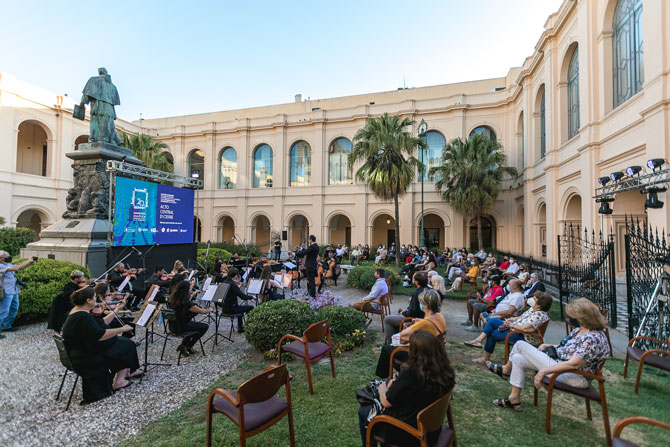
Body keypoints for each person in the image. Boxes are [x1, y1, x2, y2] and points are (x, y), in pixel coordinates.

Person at [489, 298, 610, 412]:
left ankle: (505, 370)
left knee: (520, 345)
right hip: (559, 365)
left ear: (582, 317)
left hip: (574, 376)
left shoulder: (592, 338)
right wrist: (548, 346)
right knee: (517, 358)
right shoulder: (581, 329)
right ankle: (514, 399)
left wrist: (543, 372)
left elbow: (574, 364)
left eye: (572, 316)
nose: (569, 319)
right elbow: (568, 348)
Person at [358, 330, 456, 447]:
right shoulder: (445, 371)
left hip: (411, 435)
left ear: (415, 352)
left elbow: (386, 402)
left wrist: (382, 388)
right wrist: (398, 382)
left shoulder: (412, 373)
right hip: (432, 431)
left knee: (364, 411)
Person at [61, 287, 140, 403]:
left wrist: (117, 309)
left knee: (122, 342)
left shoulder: (78, 311)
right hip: (84, 355)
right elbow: (100, 335)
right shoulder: (83, 317)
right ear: (88, 300)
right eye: (94, 297)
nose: (96, 300)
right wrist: (121, 329)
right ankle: (121, 380)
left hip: (81, 348)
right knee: (126, 345)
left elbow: (101, 323)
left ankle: (126, 372)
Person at [465, 291, 553, 364]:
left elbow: (526, 329)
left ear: (540, 304)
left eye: (534, 299)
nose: (531, 300)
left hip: (522, 336)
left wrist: (512, 325)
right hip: (515, 329)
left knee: (492, 333)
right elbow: (522, 317)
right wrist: (511, 319)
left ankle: (485, 357)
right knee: (492, 321)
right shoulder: (533, 309)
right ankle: (479, 341)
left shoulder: (538, 315)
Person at [375, 289, 446, 378]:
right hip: (433, 353)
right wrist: (420, 322)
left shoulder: (424, 323)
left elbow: (402, 338)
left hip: (421, 356)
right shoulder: (439, 316)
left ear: (425, 305)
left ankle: (385, 378)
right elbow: (430, 326)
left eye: (421, 302)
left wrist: (415, 326)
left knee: (386, 349)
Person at [167, 280, 212, 357]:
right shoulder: (187, 304)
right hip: (182, 328)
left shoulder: (173, 299)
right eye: (189, 289)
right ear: (186, 291)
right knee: (204, 327)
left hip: (173, 327)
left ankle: (183, 346)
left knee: (194, 327)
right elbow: (202, 311)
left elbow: (184, 305)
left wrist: (190, 297)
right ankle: (188, 346)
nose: (191, 290)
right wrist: (210, 309)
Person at [383, 272, 427, 343]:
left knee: (387, 319)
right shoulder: (428, 290)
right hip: (421, 317)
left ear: (416, 282)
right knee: (396, 316)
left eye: (413, 279)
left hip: (415, 319)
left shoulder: (417, 293)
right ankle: (396, 339)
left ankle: (390, 343)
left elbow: (413, 312)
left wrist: (404, 312)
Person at [0, 251, 36, 336]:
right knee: (3, 311)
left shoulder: (7, 264)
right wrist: (27, 261)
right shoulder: (0, 266)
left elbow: (20, 267)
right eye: (7, 257)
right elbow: (17, 268)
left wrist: (30, 262)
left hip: (14, 290)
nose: (9, 258)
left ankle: (6, 326)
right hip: (6, 292)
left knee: (14, 308)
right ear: (1, 259)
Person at [220, 267, 255, 332]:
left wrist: (237, 288)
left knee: (240, 308)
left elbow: (231, 292)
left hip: (224, 308)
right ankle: (250, 326)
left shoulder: (224, 282)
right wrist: (252, 297)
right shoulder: (232, 284)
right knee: (251, 307)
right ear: (236, 275)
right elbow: (243, 297)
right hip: (232, 309)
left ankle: (240, 327)